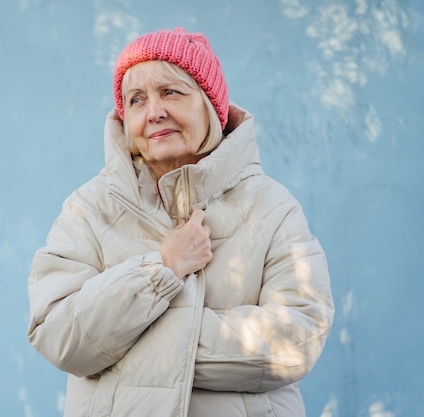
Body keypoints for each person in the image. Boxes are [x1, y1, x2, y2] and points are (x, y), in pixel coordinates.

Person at [27, 27, 334, 417]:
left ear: (209, 104)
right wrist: (161, 268)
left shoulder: (272, 208)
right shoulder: (89, 209)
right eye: (136, 99)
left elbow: (297, 339)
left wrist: (123, 342)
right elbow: (58, 333)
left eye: (170, 92)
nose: (153, 111)